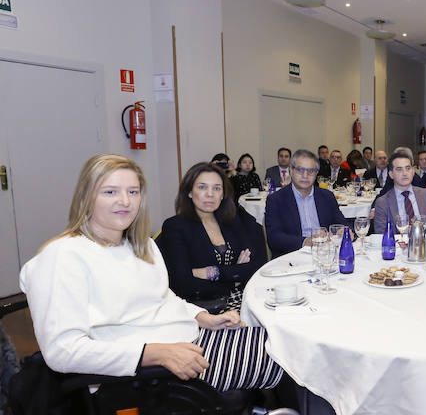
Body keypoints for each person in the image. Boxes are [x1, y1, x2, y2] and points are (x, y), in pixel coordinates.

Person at [19, 154, 283, 390]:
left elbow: (164, 298)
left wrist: (203, 317)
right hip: (153, 370)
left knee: (288, 344)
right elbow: (62, 351)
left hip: (193, 337)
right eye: (110, 192)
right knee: (292, 362)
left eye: (133, 192)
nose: (124, 201)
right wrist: (155, 354)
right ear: (87, 197)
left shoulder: (141, 245)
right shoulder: (62, 257)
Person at [158, 162, 266, 312]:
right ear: (189, 192)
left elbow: (258, 264)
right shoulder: (175, 226)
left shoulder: (233, 220)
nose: (210, 194)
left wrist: (214, 272)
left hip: (243, 299)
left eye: (217, 188)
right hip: (199, 309)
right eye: (202, 187)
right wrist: (235, 276)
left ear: (222, 194)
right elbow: (182, 284)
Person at [266, 149, 347, 258]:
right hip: (291, 257)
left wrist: (345, 230)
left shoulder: (327, 196)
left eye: (311, 171)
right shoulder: (276, 199)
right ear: (291, 170)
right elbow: (274, 238)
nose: (305, 175)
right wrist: (306, 241)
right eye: (300, 170)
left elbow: (341, 222)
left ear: (317, 173)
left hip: (325, 254)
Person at [372, 152, 426, 233]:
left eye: (408, 168)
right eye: (399, 169)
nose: (405, 173)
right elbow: (381, 235)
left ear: (413, 172)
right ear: (391, 174)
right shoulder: (382, 203)